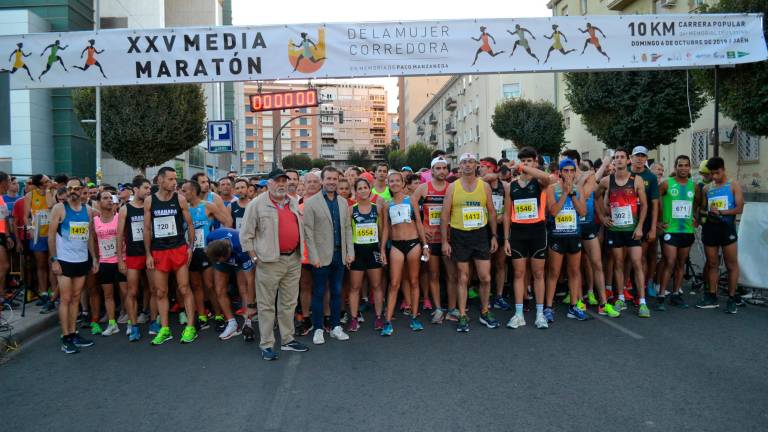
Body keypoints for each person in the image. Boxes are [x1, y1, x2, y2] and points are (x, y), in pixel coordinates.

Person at [240, 169, 308, 360]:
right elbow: (246, 235)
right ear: (268, 184)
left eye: (284, 181)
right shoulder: (257, 204)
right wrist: (254, 258)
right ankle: (267, 344)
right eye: (277, 181)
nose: (281, 184)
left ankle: (287, 340)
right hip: (269, 262)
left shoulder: (293, 202)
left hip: (293, 260)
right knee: (266, 305)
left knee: (288, 303)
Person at [441, 153, 499, 332]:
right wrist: (445, 241)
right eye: (464, 162)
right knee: (463, 277)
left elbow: (491, 212)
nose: (467, 165)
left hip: (480, 234)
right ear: (459, 166)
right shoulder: (452, 187)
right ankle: (463, 315)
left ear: (476, 165)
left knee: (485, 277)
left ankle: (484, 311)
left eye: (470, 162)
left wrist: (494, 235)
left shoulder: (484, 186)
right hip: (460, 236)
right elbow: (444, 214)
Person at [144, 167, 197, 345]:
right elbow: (147, 229)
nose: (175, 182)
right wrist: (148, 254)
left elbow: (190, 225)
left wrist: (190, 247)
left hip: (178, 248)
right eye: (170, 179)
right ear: (160, 180)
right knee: (161, 291)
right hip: (159, 251)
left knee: (184, 288)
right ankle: (165, 328)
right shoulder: (150, 201)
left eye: (175, 179)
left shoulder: (180, 199)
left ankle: (190, 327)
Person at [303, 167, 354, 345]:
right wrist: (313, 256)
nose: (332, 181)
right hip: (320, 257)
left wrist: (349, 253)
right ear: (322, 181)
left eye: (335, 179)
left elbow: (347, 228)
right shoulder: (311, 203)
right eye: (329, 178)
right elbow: (308, 232)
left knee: (337, 292)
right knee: (318, 293)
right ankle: (318, 329)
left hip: (340, 255)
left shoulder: (343, 202)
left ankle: (335, 327)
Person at [503, 147, 552, 329]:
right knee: (518, 273)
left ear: (535, 162)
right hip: (518, 234)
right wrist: (506, 239)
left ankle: (540, 314)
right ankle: (518, 314)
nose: (525, 163)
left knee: (538, 273)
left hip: (537, 232)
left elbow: (547, 178)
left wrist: (525, 168)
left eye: (529, 160)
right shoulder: (512, 186)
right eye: (522, 160)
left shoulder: (540, 182)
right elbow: (508, 214)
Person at [599, 148, 650, 318]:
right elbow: (596, 194)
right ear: (613, 161)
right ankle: (620, 297)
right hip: (615, 230)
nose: (619, 160)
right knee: (618, 263)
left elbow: (644, 205)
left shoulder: (637, 180)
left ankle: (642, 302)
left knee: (636, 262)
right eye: (616, 157)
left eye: (622, 157)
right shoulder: (607, 180)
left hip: (632, 229)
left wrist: (640, 226)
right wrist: (602, 217)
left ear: (628, 160)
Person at [49, 178, 97, 354]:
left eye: (77, 188)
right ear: (66, 190)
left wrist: (94, 259)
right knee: (66, 298)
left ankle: (74, 333)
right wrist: (54, 259)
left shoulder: (88, 210)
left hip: (82, 260)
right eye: (70, 188)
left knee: (76, 298)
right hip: (64, 260)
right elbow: (51, 236)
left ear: (82, 189)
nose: (73, 191)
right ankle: (66, 336)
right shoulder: (59, 209)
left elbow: (90, 236)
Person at [182, 179, 234, 338]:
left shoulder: (207, 206)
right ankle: (202, 315)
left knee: (210, 285)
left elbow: (228, 221)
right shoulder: (183, 208)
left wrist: (219, 241)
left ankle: (218, 316)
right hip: (191, 251)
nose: (182, 194)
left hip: (207, 250)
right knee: (196, 285)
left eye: (185, 191)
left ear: (193, 191)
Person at [380, 171, 429, 336]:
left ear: (402, 183)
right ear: (388, 184)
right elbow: (386, 228)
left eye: (396, 181)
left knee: (414, 281)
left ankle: (414, 317)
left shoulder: (412, 199)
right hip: (396, 245)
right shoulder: (387, 204)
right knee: (394, 283)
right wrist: (382, 250)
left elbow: (419, 224)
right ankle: (387, 321)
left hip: (414, 243)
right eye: (390, 181)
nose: (394, 183)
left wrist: (425, 245)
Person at [411, 157, 458, 324]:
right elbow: (413, 208)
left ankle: (452, 309)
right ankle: (438, 308)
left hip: (449, 238)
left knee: (452, 275)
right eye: (438, 168)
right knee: (434, 274)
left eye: (444, 168)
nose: (442, 171)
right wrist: (421, 229)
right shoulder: (423, 188)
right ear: (432, 171)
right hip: (431, 240)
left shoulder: (452, 188)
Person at [543, 159, 588, 324]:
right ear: (560, 172)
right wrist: (564, 193)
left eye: (572, 171)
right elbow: (553, 211)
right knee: (554, 272)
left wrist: (572, 194)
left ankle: (574, 306)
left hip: (574, 235)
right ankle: (548, 307)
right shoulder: (551, 189)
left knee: (574, 272)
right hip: (557, 236)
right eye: (566, 171)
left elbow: (583, 211)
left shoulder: (579, 189)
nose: (569, 174)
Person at [696, 157, 743, 313]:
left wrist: (722, 212)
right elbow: (701, 210)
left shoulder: (733, 185)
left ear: (723, 169)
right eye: (712, 173)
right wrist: (705, 214)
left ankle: (731, 297)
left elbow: (739, 208)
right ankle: (712, 296)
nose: (715, 176)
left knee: (731, 265)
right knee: (712, 264)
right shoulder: (707, 189)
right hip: (711, 229)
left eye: (717, 173)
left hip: (727, 229)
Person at [656, 155, 698, 311]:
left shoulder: (694, 187)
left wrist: (696, 218)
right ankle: (661, 295)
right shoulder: (667, 184)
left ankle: (675, 294)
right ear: (675, 167)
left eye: (686, 165)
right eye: (680, 165)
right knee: (670, 261)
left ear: (689, 168)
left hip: (687, 230)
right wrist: (657, 222)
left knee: (681, 263)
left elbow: (698, 204)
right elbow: (655, 201)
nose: (683, 168)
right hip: (670, 230)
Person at [116, 176, 152, 341]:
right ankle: (133, 324)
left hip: (151, 253)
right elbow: (119, 236)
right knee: (133, 291)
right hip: (133, 254)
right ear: (135, 189)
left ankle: (151, 318)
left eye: (149, 188)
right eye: (145, 188)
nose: (148, 191)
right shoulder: (125, 209)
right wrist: (120, 260)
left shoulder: (151, 205)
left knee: (152, 289)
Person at [347, 179, 385, 332]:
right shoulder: (351, 210)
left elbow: (383, 231)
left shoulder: (378, 208)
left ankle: (378, 317)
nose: (363, 191)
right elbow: (348, 233)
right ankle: (354, 318)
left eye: (365, 188)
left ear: (370, 189)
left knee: (376, 285)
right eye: (359, 188)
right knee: (355, 287)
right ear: (355, 191)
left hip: (373, 251)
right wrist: (349, 254)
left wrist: (382, 250)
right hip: (357, 252)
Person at [89, 190, 126, 337]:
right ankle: (112, 323)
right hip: (105, 261)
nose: (109, 200)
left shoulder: (119, 218)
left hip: (121, 260)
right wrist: (94, 259)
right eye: (105, 198)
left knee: (126, 292)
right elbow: (91, 240)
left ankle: (130, 321)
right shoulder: (95, 221)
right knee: (108, 294)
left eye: (111, 198)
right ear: (99, 202)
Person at [479, 157, 512, 311]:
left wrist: (502, 219)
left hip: (500, 227)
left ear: (491, 168)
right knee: (485, 265)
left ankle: (498, 295)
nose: (480, 169)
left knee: (500, 264)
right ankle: (486, 295)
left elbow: (508, 211)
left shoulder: (504, 186)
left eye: (483, 166)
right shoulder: (480, 184)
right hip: (483, 229)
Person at [629, 146, 660, 300]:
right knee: (625, 258)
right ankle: (626, 288)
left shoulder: (651, 177)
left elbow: (655, 205)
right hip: (626, 221)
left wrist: (653, 228)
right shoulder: (624, 173)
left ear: (646, 159)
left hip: (645, 222)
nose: (640, 159)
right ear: (631, 157)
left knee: (641, 257)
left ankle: (642, 288)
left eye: (643, 156)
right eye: (637, 156)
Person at [24, 174, 55, 304]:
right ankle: (43, 293)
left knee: (52, 264)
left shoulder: (53, 192)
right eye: (47, 181)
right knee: (41, 264)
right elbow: (26, 216)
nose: (51, 182)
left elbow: (50, 205)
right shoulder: (30, 195)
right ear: (41, 184)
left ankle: (53, 293)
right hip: (38, 234)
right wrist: (30, 228)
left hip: (52, 234)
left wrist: (48, 190)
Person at [0, 173, 14, 307]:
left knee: (4, 266)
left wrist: (8, 236)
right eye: (9, 181)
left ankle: (2, 295)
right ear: (2, 182)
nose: (10, 184)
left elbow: (4, 219)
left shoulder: (1, 198)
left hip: (2, 235)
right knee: (4, 266)